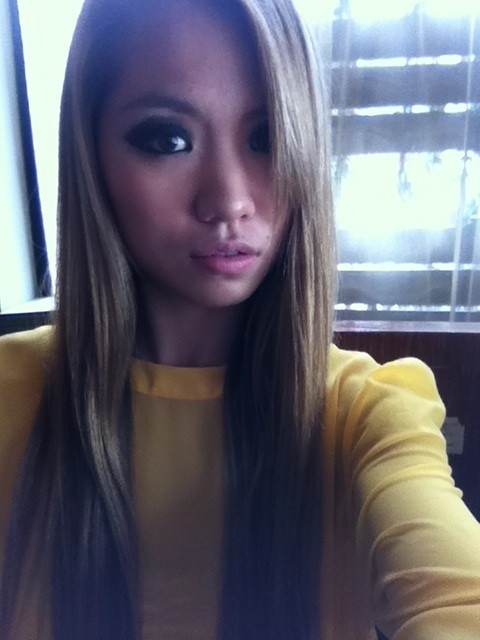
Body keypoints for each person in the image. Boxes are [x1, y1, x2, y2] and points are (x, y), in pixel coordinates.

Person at [0, 0, 479, 638]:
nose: (228, 200)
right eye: (167, 139)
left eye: (267, 138)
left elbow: (457, 598)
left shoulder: (368, 411)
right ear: (91, 155)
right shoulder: (10, 391)